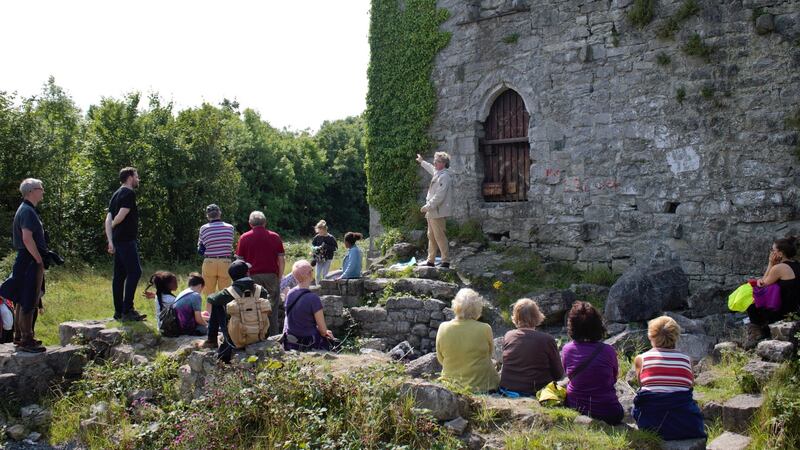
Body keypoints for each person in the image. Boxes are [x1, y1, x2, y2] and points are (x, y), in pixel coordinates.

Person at [632, 316, 706, 441]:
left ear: (651, 336)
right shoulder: (687, 360)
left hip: (650, 422)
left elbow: (641, 383)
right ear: (676, 335)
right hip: (686, 424)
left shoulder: (641, 359)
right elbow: (690, 384)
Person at [1, 179, 49, 352]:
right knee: (29, 299)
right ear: (31, 191)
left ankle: (20, 336)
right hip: (29, 259)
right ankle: (26, 340)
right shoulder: (28, 211)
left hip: (25, 258)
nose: (43, 191)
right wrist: (38, 259)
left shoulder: (27, 209)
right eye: (40, 188)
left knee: (22, 298)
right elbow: (27, 238)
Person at [561, 301, 623, 424]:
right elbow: (613, 379)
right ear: (598, 325)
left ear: (572, 326)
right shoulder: (608, 351)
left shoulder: (567, 349)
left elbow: (568, 374)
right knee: (619, 412)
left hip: (575, 407)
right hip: (608, 412)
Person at [206, 260, 271, 361]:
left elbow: (211, 299)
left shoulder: (226, 294)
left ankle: (212, 339)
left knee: (217, 305)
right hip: (260, 336)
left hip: (235, 340)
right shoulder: (261, 291)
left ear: (231, 277)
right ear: (247, 273)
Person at [435, 288, 499, 392]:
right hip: (484, 386)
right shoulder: (485, 328)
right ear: (477, 307)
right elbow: (489, 354)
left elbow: (440, 358)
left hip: (451, 386)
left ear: (455, 305)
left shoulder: (443, 327)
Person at [499, 299, 564, 396]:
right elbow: (558, 374)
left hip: (507, 390)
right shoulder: (547, 340)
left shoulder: (508, 336)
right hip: (536, 392)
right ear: (537, 316)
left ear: (516, 317)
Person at [105, 167, 145, 321]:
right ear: (130, 177)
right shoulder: (128, 193)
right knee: (135, 272)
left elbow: (108, 219)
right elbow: (120, 216)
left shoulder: (115, 194)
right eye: (137, 176)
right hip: (126, 240)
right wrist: (114, 227)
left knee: (119, 276)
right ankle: (127, 309)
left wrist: (110, 240)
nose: (138, 179)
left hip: (117, 240)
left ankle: (118, 312)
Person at [235, 211, 284, 336]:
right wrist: (279, 277)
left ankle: (256, 335)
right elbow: (281, 259)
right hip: (271, 275)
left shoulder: (244, 238)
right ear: (265, 222)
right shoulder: (274, 236)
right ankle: (274, 336)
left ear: (250, 224)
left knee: (253, 307)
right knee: (272, 308)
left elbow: (239, 261)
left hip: (251, 277)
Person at [746, 236, 800, 343]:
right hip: (796, 308)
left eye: (773, 250)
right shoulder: (797, 265)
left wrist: (770, 264)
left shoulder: (779, 268)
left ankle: (759, 334)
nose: (771, 253)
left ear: (780, 253)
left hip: (784, 312)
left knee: (751, 304)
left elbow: (762, 285)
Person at [197, 204, 235, 346]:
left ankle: (210, 322)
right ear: (219, 213)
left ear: (208, 215)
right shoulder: (230, 227)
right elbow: (230, 245)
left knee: (209, 294)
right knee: (225, 294)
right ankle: (225, 321)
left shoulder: (204, 228)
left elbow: (201, 249)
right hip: (225, 261)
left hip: (210, 262)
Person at [282, 260, 335, 351]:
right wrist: (327, 332)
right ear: (309, 274)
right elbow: (322, 331)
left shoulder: (290, 293)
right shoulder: (313, 298)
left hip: (291, 341)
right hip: (309, 341)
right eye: (312, 271)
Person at [416, 152, 453, 268]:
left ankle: (445, 261)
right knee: (431, 236)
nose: (435, 163)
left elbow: (439, 196)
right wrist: (422, 161)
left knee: (440, 236)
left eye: (437, 161)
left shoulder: (444, 176)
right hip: (432, 211)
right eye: (435, 161)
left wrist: (427, 206)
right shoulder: (438, 173)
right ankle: (430, 260)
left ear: (444, 163)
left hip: (437, 211)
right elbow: (431, 168)